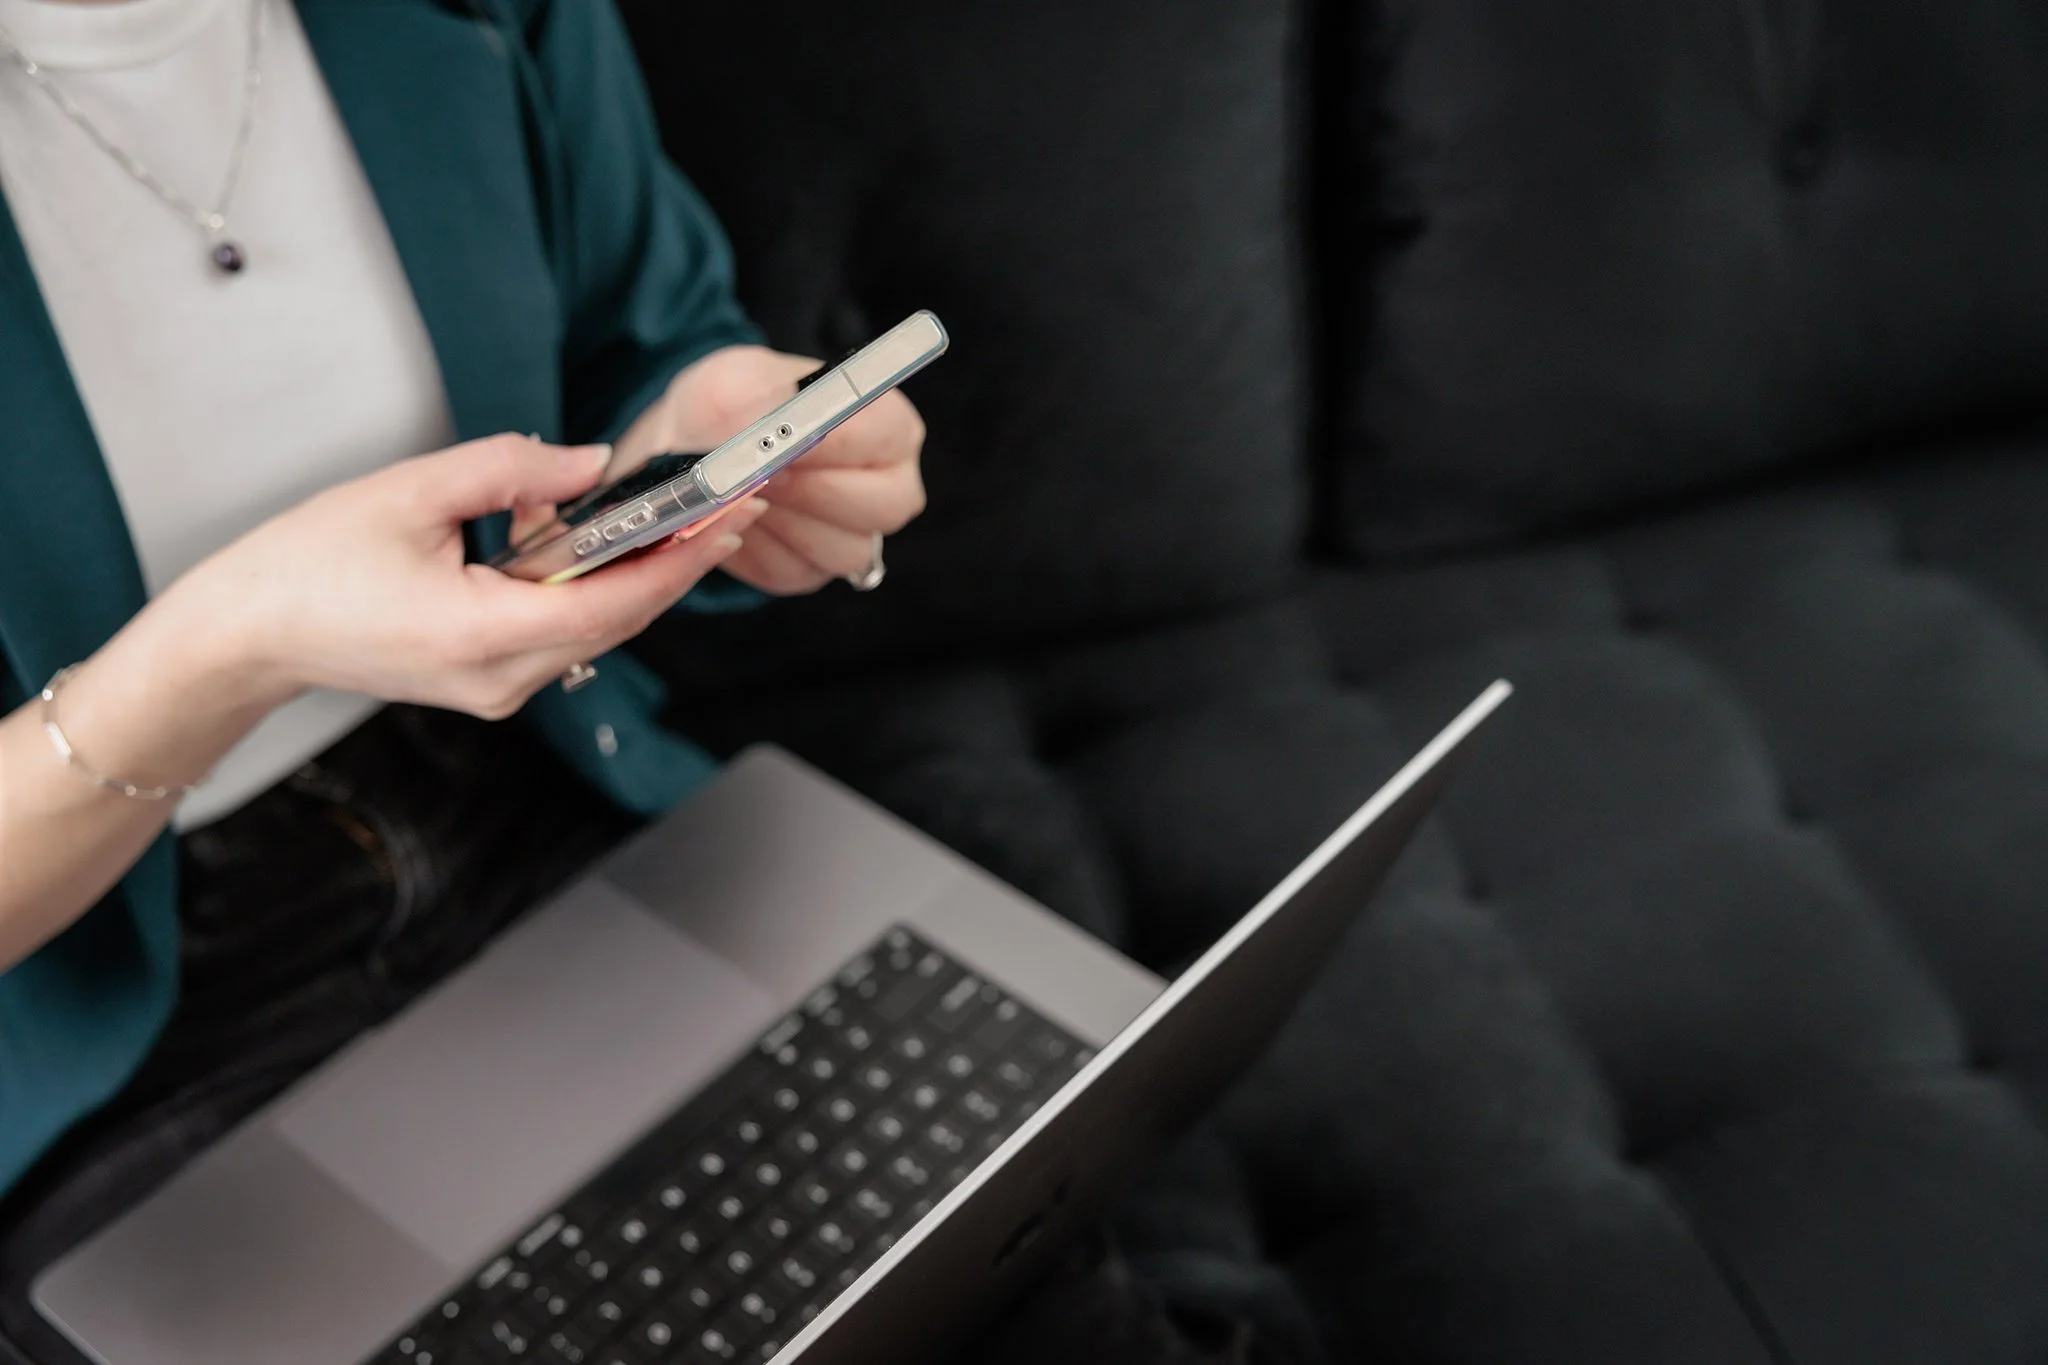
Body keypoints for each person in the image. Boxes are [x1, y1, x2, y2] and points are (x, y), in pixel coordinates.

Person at [0, 0, 933, 1351]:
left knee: (974, 1247)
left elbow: (644, 346)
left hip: (545, 792)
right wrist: (230, 647)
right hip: (120, 1009)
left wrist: (695, 448)